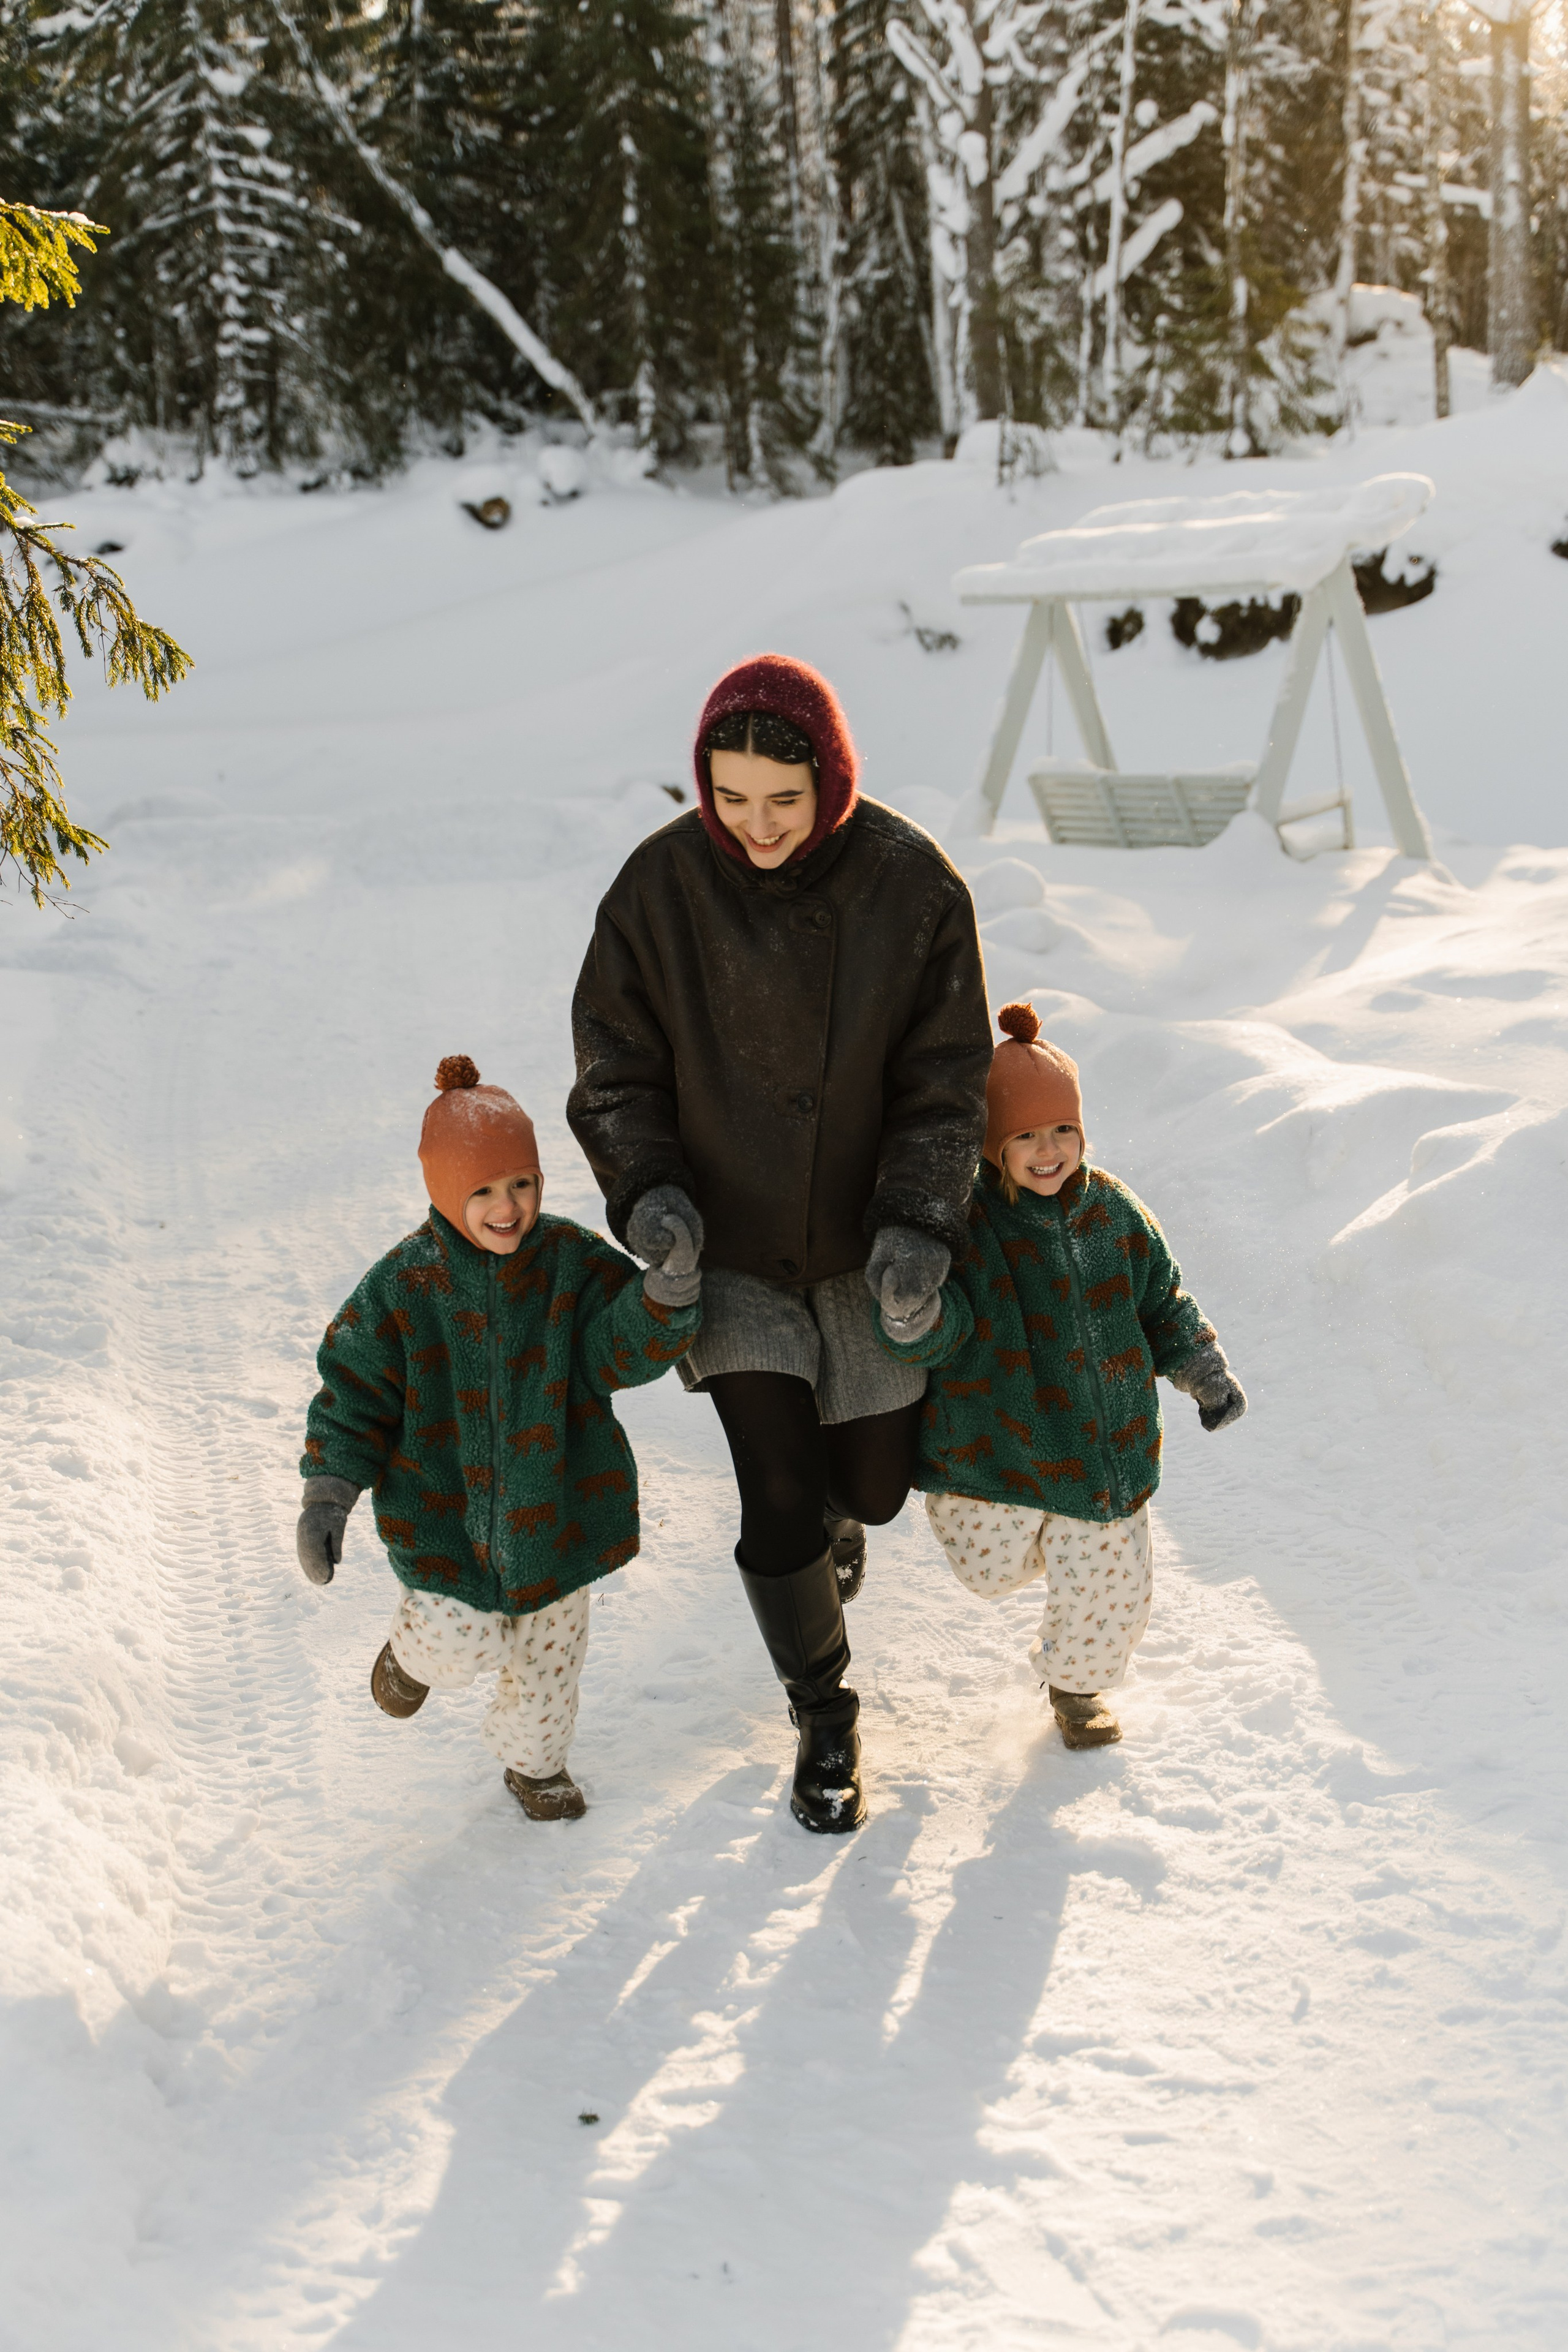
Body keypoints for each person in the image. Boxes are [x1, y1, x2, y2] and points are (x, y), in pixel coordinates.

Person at [567, 653, 992, 1833]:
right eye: (730, 796)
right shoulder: (657, 891)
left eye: (783, 800)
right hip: (733, 1248)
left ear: (833, 781)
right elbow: (615, 1066)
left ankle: (843, 1519)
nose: (754, 825)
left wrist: (918, 1216)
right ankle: (825, 1711)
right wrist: (651, 1195)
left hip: (867, 1248)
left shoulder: (912, 889)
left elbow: (947, 1081)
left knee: (873, 1484)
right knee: (777, 1491)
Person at [294, 1054, 702, 1820]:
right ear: (446, 1195)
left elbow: (615, 1349)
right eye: (480, 1191)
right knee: (460, 1637)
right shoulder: (404, 1287)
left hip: (558, 1518)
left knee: (551, 1664)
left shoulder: (571, 1264)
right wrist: (329, 1490)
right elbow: (355, 1392)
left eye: (521, 1183)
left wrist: (663, 1301)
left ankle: (535, 1767)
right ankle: (410, 1657)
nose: (506, 1206)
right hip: (443, 1521)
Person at [877, 1003, 1247, 1749]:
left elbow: (1161, 1300)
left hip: (1101, 1446)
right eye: (1025, 1137)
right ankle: (1054, 1542)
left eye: (1063, 1131)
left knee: (1112, 1584)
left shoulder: (1113, 1211)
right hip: (997, 1446)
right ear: (992, 1146)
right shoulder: (970, 1224)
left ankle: (1077, 1689)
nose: (1048, 1151)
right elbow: (944, 1326)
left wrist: (1202, 1368)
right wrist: (916, 1319)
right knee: (987, 1572)